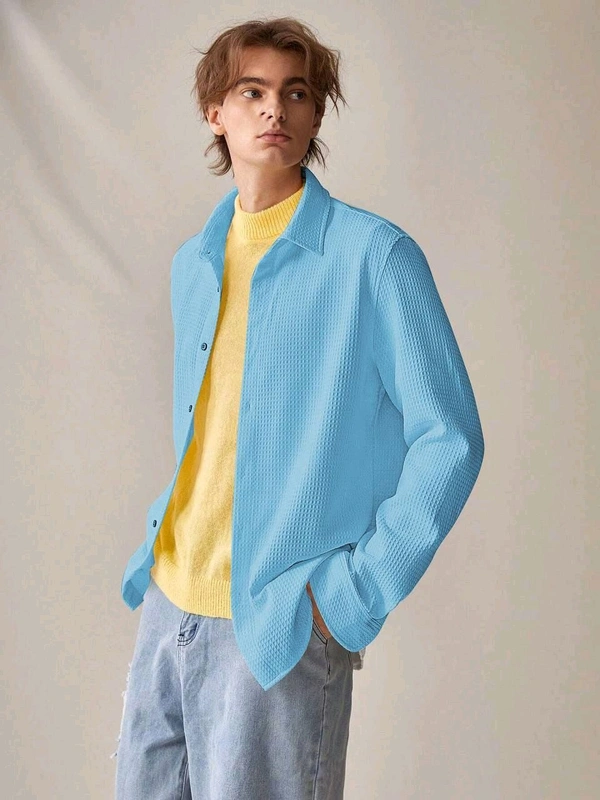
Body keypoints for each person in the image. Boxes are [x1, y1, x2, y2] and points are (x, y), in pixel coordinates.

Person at [112, 15, 485, 800]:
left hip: (279, 624)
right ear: (216, 112)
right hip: (170, 605)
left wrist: (348, 598)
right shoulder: (194, 263)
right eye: (252, 92)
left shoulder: (373, 257)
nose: (274, 110)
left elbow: (449, 438)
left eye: (296, 93)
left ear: (316, 115)